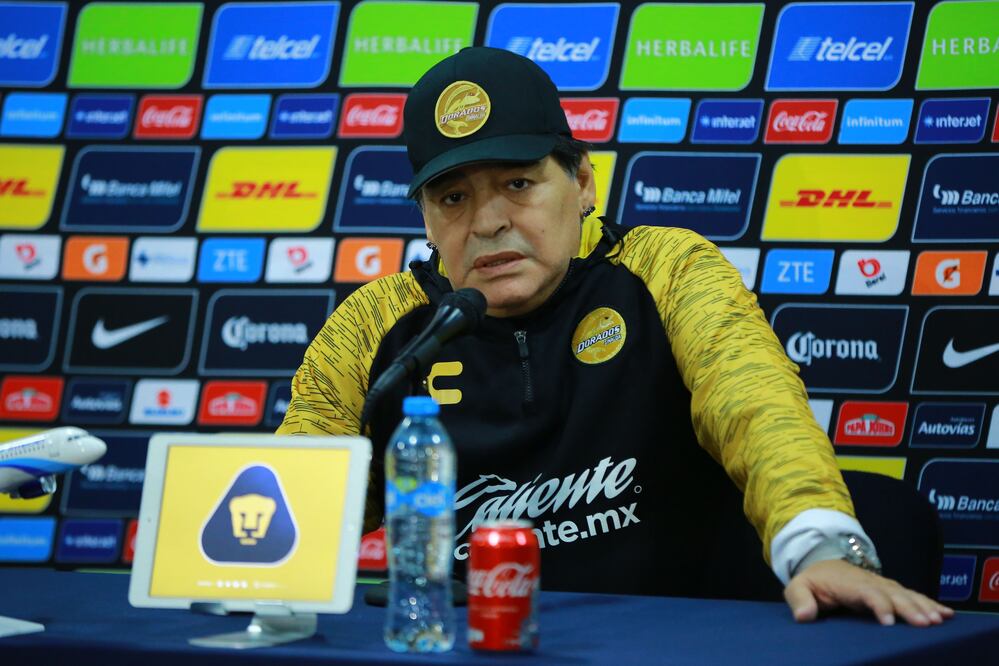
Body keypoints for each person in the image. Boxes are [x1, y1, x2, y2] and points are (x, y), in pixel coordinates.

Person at [278, 47, 952, 627]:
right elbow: (297, 490)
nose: (486, 221)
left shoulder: (666, 267)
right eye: (452, 198)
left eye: (518, 183)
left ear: (581, 182)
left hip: (668, 646)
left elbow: (755, 406)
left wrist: (820, 550)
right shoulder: (378, 323)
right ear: (425, 219)